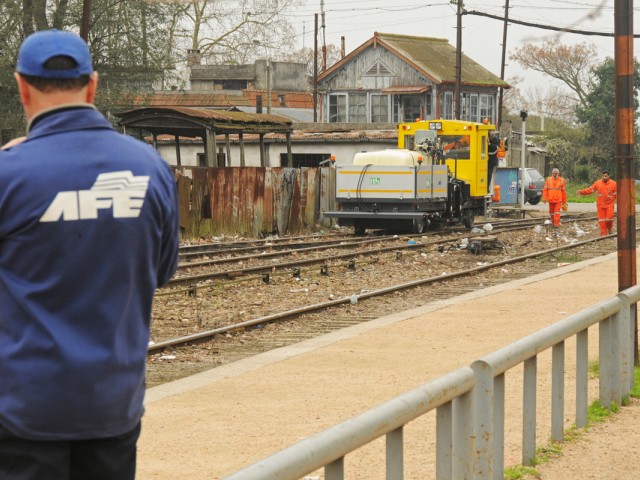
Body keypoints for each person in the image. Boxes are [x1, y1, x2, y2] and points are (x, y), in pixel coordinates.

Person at [0, 29, 179, 479]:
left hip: (24, 411)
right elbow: (161, 270)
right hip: (112, 406)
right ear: (93, 85)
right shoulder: (150, 168)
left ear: (22, 86)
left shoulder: (8, 174)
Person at [578, 170, 617, 236]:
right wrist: (582, 192)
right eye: (603, 176)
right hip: (600, 205)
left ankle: (609, 228)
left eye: (606, 176)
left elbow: (616, 194)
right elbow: (590, 190)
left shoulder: (613, 184)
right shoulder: (597, 183)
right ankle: (603, 234)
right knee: (601, 221)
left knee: (609, 219)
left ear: (609, 176)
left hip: (609, 205)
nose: (604, 177)